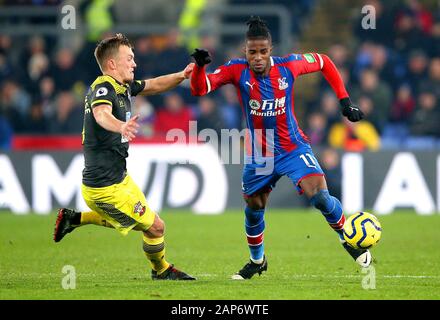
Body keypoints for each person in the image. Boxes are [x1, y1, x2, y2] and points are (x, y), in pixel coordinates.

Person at [190, 16, 369, 280]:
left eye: (263, 51)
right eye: (252, 52)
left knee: (319, 196)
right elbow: (200, 89)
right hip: (260, 155)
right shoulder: (236, 70)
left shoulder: (289, 66)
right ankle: (257, 260)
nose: (258, 57)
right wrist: (199, 67)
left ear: (270, 50)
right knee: (253, 209)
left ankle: (349, 238)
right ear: (246, 51)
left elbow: (325, 62)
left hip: (293, 148)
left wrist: (344, 102)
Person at [53, 33, 195, 281]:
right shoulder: (103, 87)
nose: (134, 63)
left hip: (119, 179)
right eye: (129, 58)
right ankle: (161, 270)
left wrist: (182, 76)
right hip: (103, 188)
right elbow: (101, 114)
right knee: (155, 226)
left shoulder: (124, 87)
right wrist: (121, 126)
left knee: (149, 224)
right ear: (112, 64)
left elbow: (154, 85)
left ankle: (74, 219)